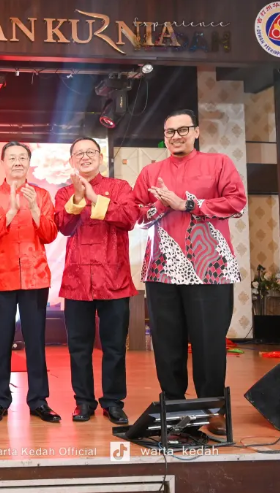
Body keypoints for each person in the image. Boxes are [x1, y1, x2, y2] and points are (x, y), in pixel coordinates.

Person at [133, 109, 247, 435]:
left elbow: (236, 201)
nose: (176, 136)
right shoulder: (151, 172)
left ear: (196, 132)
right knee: (167, 343)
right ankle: (173, 408)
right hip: (162, 268)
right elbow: (137, 215)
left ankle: (212, 410)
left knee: (208, 342)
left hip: (209, 268)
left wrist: (188, 204)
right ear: (164, 136)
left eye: (183, 130)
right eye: (170, 132)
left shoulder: (219, 163)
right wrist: (161, 205)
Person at [54, 137, 138, 424]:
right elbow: (63, 227)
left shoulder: (120, 187)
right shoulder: (65, 192)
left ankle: (113, 402)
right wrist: (78, 199)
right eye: (79, 153)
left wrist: (94, 197)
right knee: (79, 348)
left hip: (114, 279)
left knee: (114, 347)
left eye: (90, 152)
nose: (85, 157)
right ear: (71, 161)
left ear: (100, 157)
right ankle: (83, 402)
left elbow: (129, 218)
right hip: (77, 281)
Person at [0, 142, 61, 424]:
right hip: (1, 277)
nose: (17, 162)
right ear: (3, 163)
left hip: (35, 277)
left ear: (29, 163)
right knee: (1, 341)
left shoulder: (42, 195)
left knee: (35, 342)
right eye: (12, 158)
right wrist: (11, 212)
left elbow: (50, 234)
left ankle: (39, 401)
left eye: (22, 158)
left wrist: (35, 209)